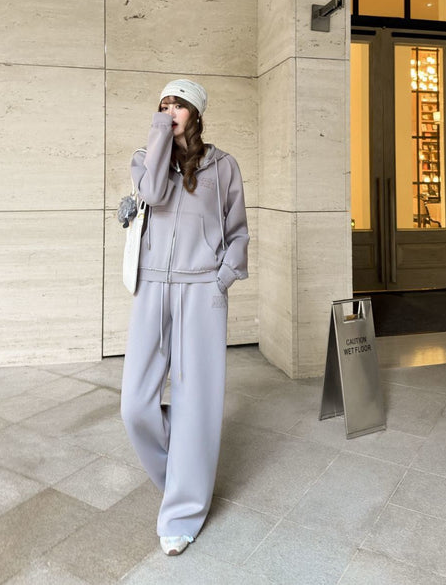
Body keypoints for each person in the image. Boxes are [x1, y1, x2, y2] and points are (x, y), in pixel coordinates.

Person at [120, 78, 249, 556]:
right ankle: (184, 468)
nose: (170, 111)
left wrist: (222, 278)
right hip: (152, 287)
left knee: (197, 401)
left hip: (202, 290)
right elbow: (153, 194)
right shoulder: (145, 158)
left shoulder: (223, 166)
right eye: (163, 105)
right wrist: (160, 133)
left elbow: (238, 230)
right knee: (134, 406)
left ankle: (183, 512)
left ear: (195, 112)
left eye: (178, 105)